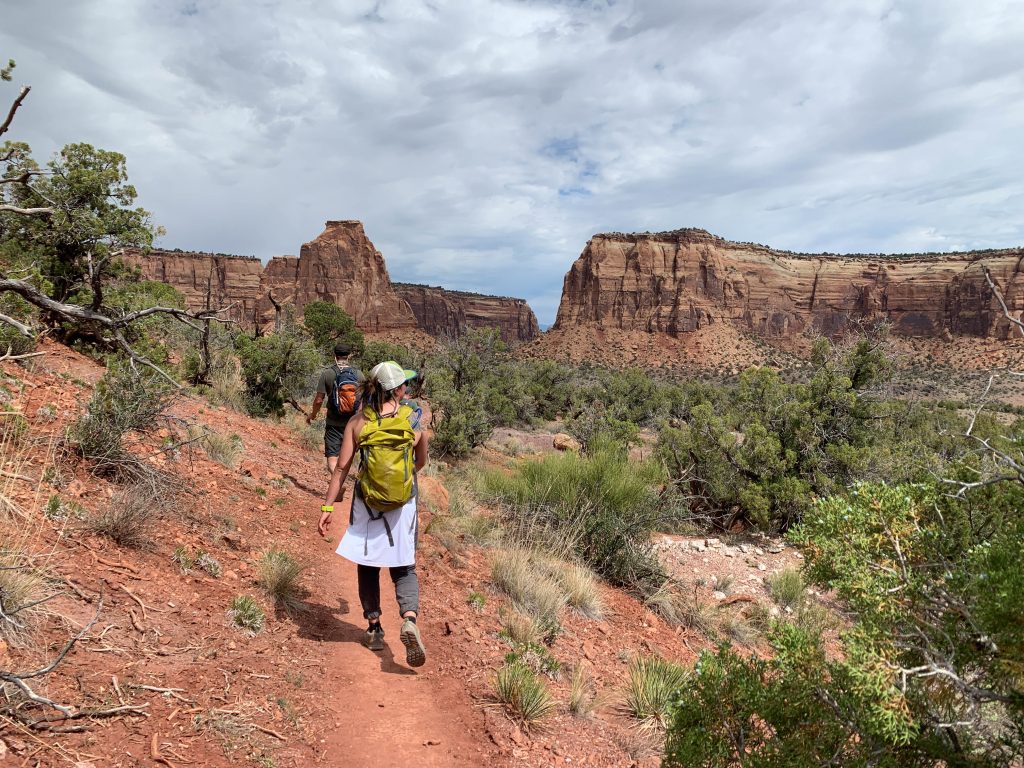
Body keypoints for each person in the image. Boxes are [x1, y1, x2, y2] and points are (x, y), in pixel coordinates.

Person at [318, 361, 429, 667]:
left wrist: (328, 507)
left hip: (367, 503)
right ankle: (408, 618)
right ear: (398, 389)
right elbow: (420, 463)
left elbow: (341, 468)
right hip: (404, 503)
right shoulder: (412, 421)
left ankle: (375, 628)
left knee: (368, 564)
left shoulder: (358, 422)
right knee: (404, 565)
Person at [306, 342, 363, 473]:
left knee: (332, 458)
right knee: (347, 457)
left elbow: (319, 400)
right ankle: (342, 482)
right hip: (353, 424)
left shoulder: (327, 373)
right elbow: (365, 399)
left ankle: (337, 481)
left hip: (333, 423)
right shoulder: (359, 374)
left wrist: (312, 415)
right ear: (349, 356)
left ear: (334, 356)